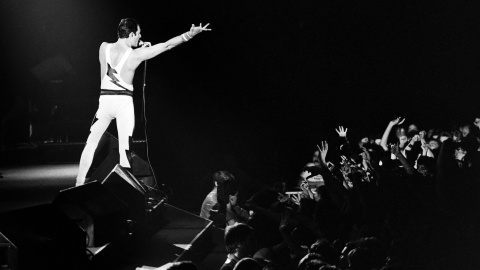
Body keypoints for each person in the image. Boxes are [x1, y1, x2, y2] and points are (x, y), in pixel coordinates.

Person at [75, 18, 211, 186]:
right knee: (125, 148)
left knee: (91, 143)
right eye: (138, 34)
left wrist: (136, 45)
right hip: (123, 103)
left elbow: (112, 65)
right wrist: (189, 35)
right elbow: (167, 45)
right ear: (131, 34)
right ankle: (126, 189)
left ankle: (79, 183)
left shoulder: (103, 47)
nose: (140, 37)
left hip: (105, 101)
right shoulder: (136, 55)